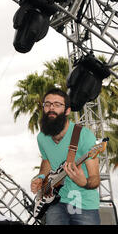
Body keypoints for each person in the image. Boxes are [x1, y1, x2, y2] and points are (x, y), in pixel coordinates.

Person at [30, 88, 101, 225]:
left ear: (67, 111)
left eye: (57, 104)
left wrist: (84, 182)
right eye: (47, 104)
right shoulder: (42, 137)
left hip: (83, 203)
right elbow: (47, 160)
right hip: (55, 203)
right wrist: (40, 178)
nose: (51, 108)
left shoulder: (83, 136)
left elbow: (95, 179)